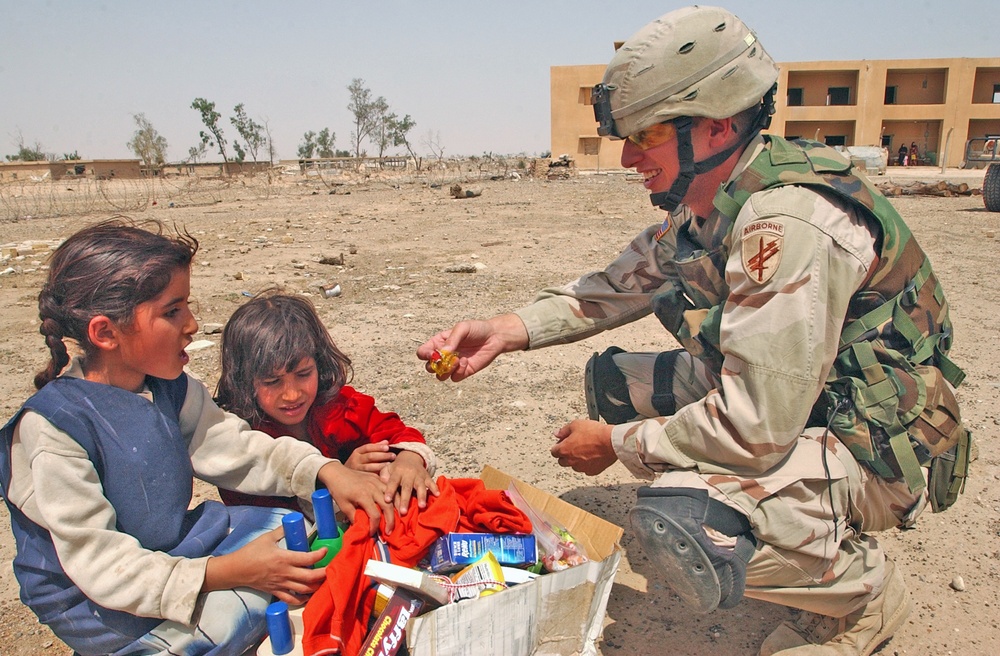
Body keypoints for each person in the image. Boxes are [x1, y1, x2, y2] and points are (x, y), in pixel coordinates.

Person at [417, 6, 971, 656]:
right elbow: (617, 284)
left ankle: (862, 594)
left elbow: (755, 423)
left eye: (645, 134)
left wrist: (618, 445)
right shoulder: (708, 201)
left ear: (715, 124)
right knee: (616, 382)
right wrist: (506, 330)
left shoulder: (786, 223)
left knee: (683, 519)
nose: (627, 157)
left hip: (877, 446)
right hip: (810, 399)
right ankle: (788, 521)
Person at [0, 219, 394, 656]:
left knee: (293, 535)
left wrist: (325, 469)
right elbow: (103, 566)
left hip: (170, 550)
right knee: (246, 606)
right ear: (105, 333)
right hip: (97, 601)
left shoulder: (167, 386)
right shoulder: (54, 431)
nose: (192, 324)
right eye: (172, 312)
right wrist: (229, 573)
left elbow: (234, 446)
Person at [214, 291, 439, 515]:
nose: (292, 395)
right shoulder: (242, 442)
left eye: (303, 374)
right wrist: (338, 478)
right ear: (244, 382)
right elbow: (265, 518)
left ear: (319, 364)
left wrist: (409, 459)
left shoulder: (338, 407)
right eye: (272, 382)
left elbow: (394, 431)